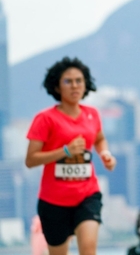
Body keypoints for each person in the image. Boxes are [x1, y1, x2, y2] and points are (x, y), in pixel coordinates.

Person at [25, 57, 116, 255]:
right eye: (68, 81)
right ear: (57, 87)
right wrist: (65, 151)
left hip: (87, 195)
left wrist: (105, 154)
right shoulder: (45, 118)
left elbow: (100, 139)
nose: (74, 86)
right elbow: (30, 160)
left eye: (79, 81)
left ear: (86, 84)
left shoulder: (92, 114)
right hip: (53, 201)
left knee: (89, 249)